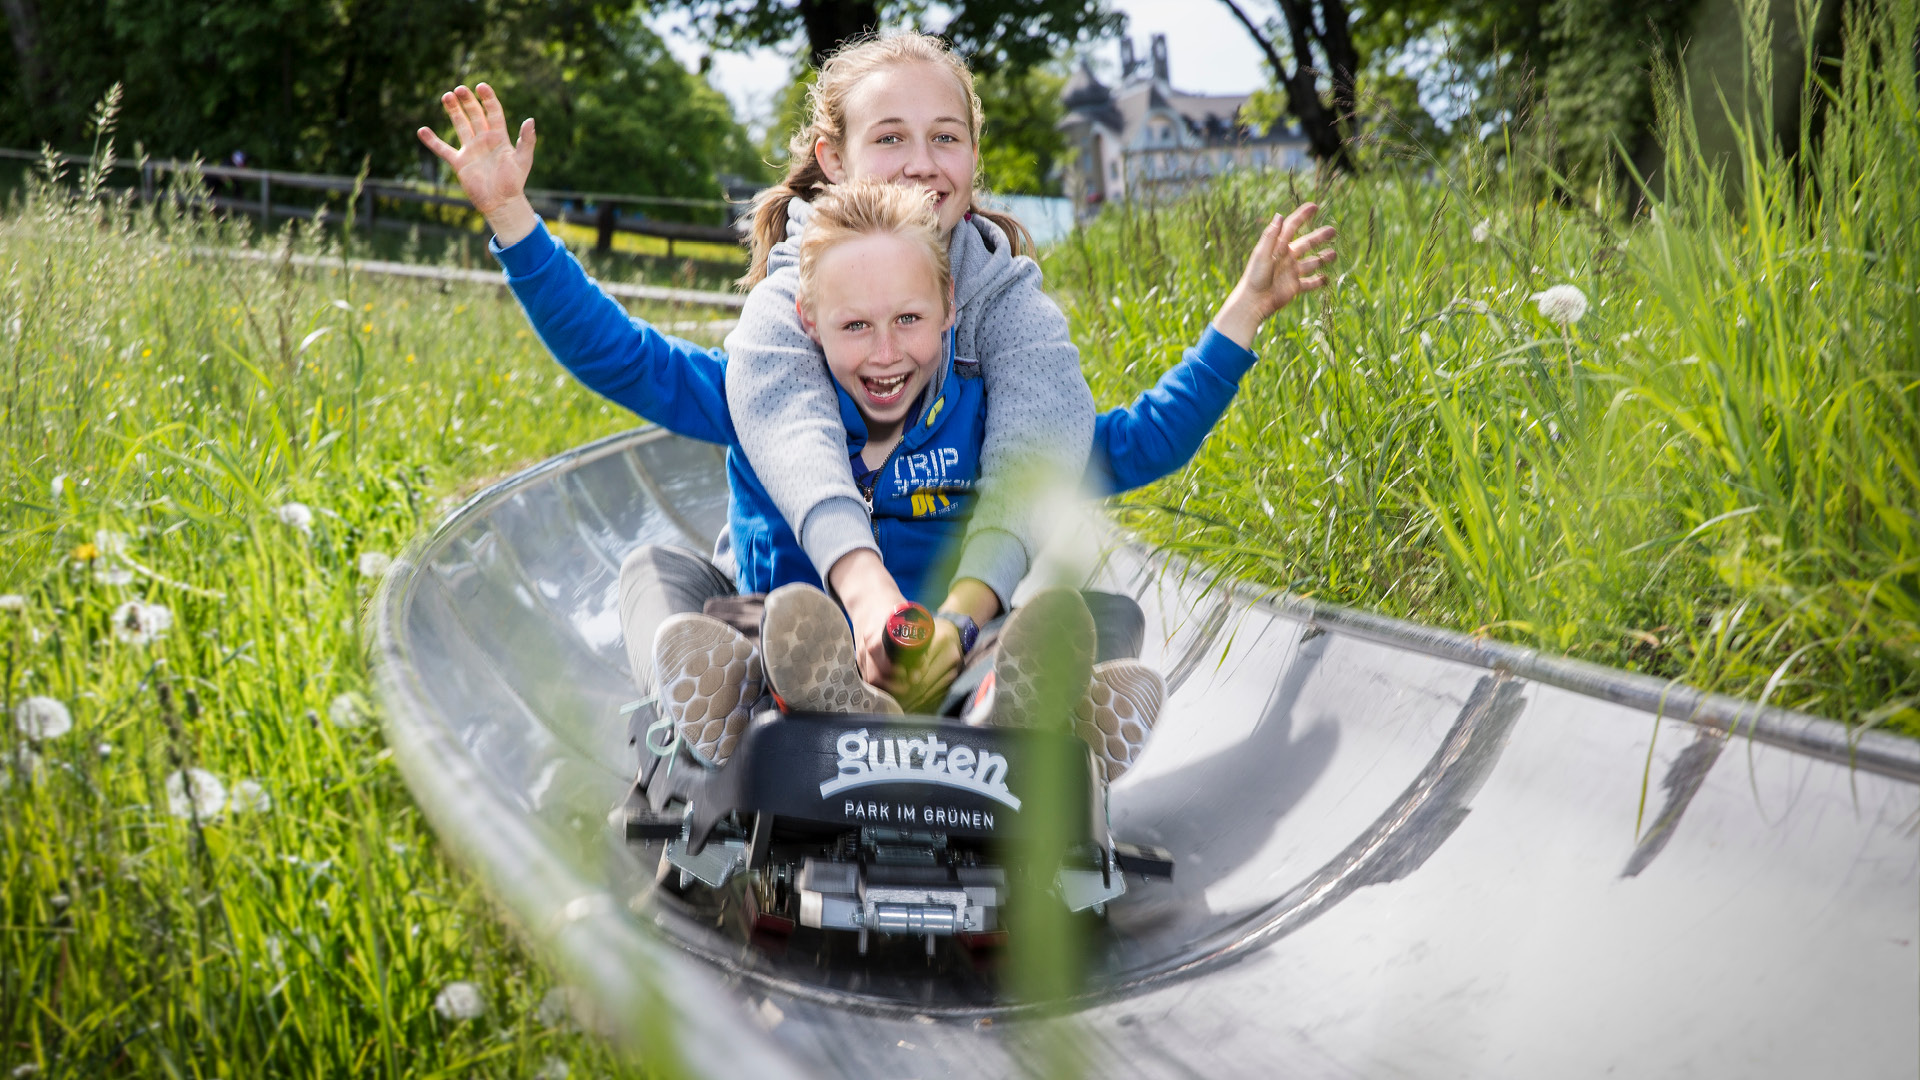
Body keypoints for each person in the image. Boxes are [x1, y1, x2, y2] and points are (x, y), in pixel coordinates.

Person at [417, 89, 1335, 783]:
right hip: (790, 640)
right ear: (811, 327)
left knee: (1099, 618)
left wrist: (1244, 313)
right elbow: (623, 356)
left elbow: (1141, 443)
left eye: (908, 323)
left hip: (954, 645)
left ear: (950, 318)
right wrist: (513, 220)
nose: (886, 353)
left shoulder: (984, 418)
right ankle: (747, 703)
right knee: (664, 576)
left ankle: (1029, 730)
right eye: (856, 328)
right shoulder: (762, 392)